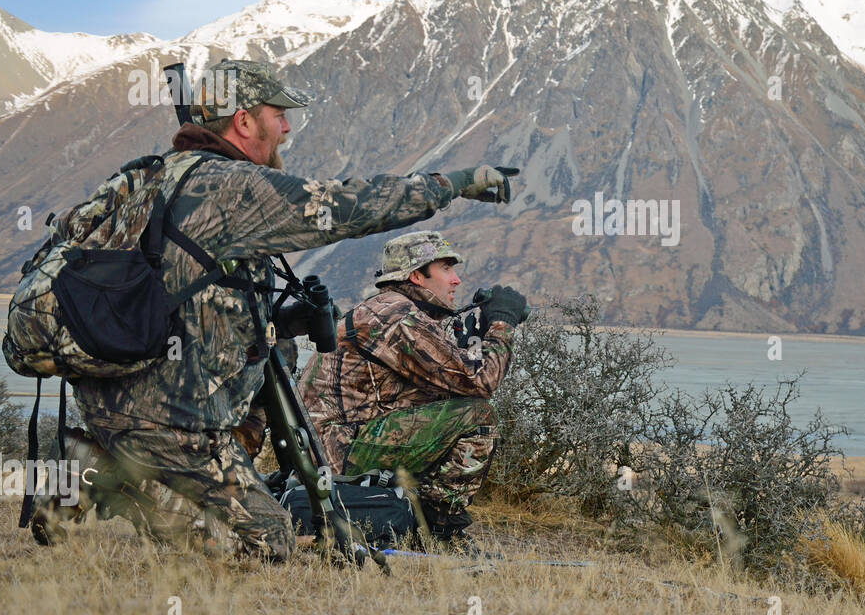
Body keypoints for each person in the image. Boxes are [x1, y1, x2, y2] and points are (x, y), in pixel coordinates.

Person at [31, 59, 518, 561]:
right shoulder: (232, 188)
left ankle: (99, 459)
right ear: (244, 121)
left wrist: (281, 322)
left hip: (111, 396)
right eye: (278, 114)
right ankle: (115, 477)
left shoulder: (148, 179)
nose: (286, 127)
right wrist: (454, 183)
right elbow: (347, 206)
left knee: (273, 351)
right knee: (267, 545)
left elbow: (177, 302)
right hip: (170, 420)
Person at [299, 230, 527, 548]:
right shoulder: (397, 316)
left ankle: (416, 518)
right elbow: (481, 382)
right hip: (340, 450)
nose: (456, 280)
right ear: (417, 276)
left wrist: (471, 344)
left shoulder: (386, 310)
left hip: (325, 449)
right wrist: (502, 323)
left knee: (461, 407)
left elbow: (448, 388)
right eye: (446, 269)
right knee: (480, 417)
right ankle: (440, 532)